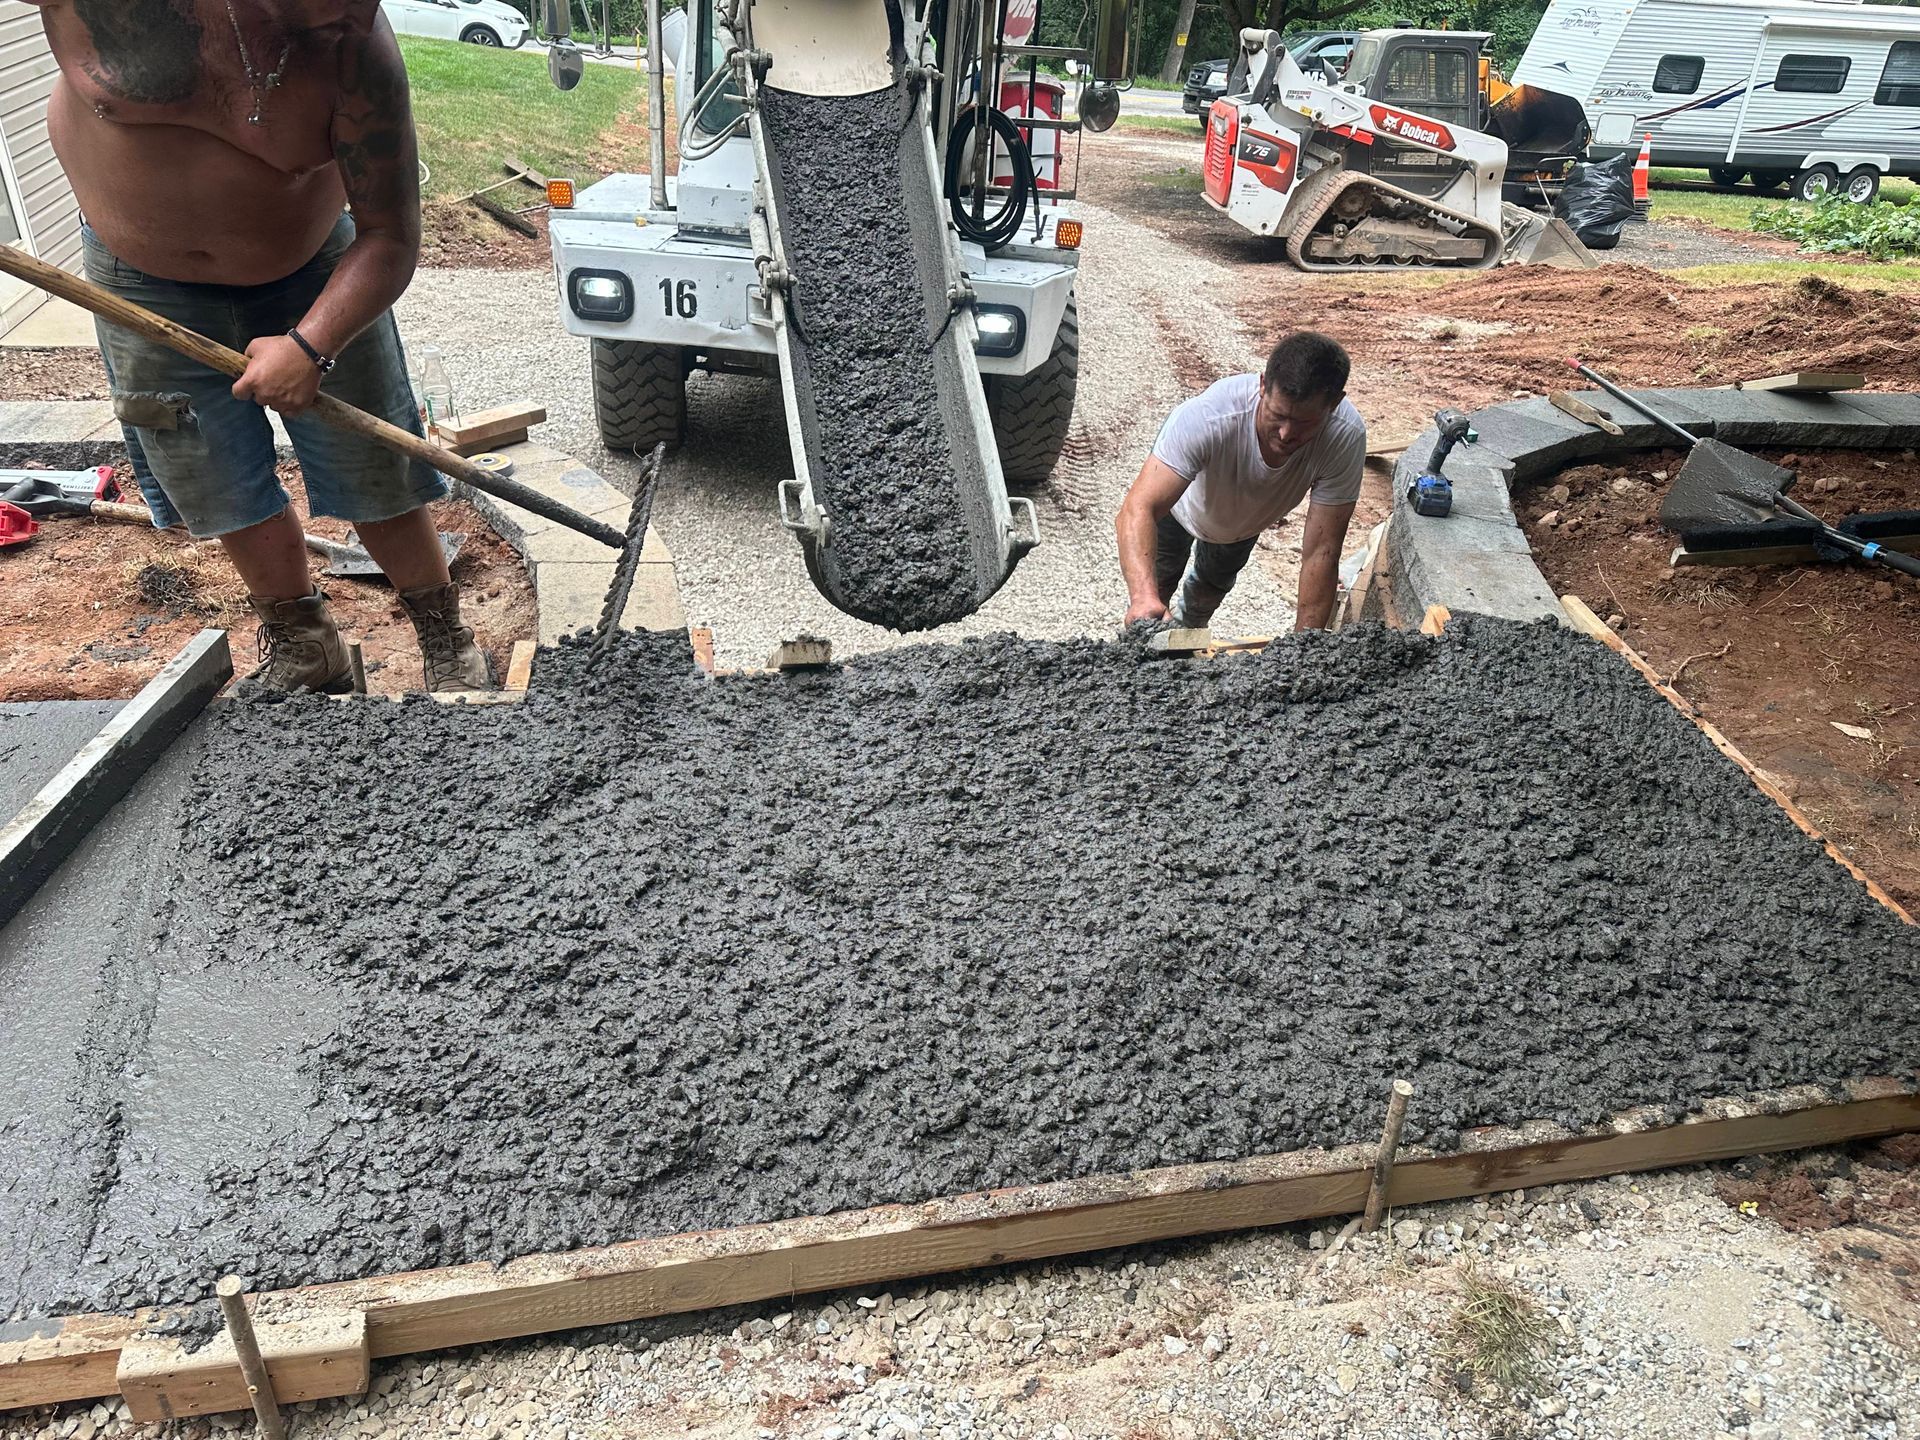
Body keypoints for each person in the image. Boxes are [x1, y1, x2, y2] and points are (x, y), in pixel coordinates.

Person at [27, 0, 491, 693]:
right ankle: (305, 641)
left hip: (315, 274)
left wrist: (312, 345)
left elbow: (391, 236)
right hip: (141, 285)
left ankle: (444, 634)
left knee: (376, 466)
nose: (359, 14)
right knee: (213, 473)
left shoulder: (356, 51)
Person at [1116, 331, 1366, 633]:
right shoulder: (1210, 417)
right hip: (1179, 508)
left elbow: (1322, 550)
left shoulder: (1344, 438)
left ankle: (1188, 636)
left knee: (1209, 589)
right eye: (1277, 415)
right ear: (1262, 385)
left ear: (1335, 404)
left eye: (1304, 423)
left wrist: (1305, 649)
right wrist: (1143, 598)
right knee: (1159, 585)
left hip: (1244, 523)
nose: (1286, 434)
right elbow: (1138, 507)